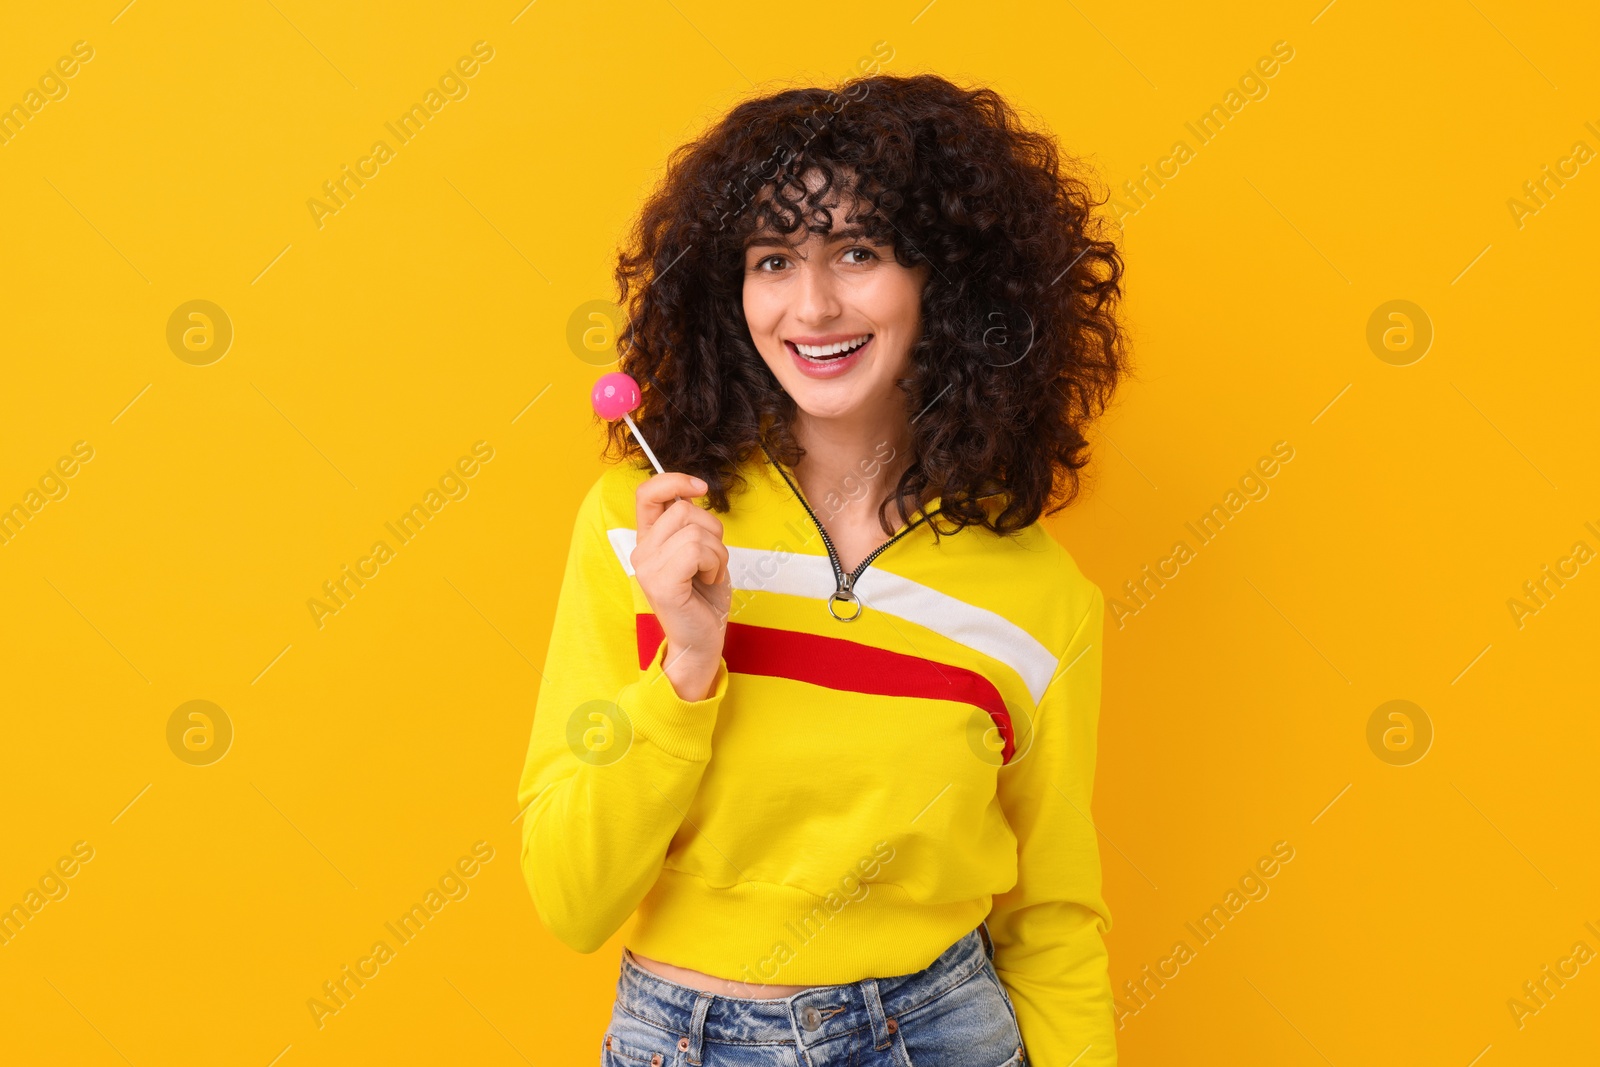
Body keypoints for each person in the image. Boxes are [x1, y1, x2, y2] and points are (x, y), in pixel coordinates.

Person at [517, 71, 1129, 1066]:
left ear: (949, 282)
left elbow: (1049, 919)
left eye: (859, 252)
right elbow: (571, 897)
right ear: (730, 289)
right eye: (772, 259)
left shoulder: (1038, 593)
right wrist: (686, 667)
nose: (811, 304)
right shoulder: (644, 533)